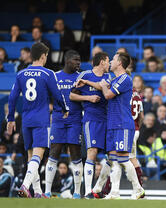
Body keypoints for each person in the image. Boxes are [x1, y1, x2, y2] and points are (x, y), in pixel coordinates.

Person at [7, 42, 69, 198]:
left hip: (26, 120)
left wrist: (10, 118)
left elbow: (13, 97)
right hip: (41, 120)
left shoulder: (21, 74)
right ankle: (25, 186)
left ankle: (38, 192)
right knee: (38, 155)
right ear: (43, 56)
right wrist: (64, 108)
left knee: (30, 157)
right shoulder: (48, 74)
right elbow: (57, 94)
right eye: (46, 55)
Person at [97, 52, 145, 199]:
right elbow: (104, 87)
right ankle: (114, 192)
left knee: (124, 158)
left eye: (113, 59)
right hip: (113, 124)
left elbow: (107, 95)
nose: (110, 61)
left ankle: (138, 189)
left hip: (122, 124)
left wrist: (104, 86)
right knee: (113, 159)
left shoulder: (125, 79)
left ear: (119, 63)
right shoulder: (116, 79)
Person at [43, 50, 85, 199]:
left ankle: (77, 192)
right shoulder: (54, 76)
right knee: (54, 152)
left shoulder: (82, 77)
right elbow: (45, 96)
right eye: (76, 60)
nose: (79, 62)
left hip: (75, 120)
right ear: (67, 61)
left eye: (79, 60)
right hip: (58, 120)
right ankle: (47, 191)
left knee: (75, 154)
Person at [70, 51, 111, 199]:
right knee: (91, 152)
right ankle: (88, 191)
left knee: (111, 156)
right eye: (108, 61)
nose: (109, 64)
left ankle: (98, 187)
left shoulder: (108, 77)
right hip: (91, 119)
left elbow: (105, 88)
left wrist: (88, 85)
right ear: (101, 62)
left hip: (107, 119)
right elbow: (71, 95)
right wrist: (88, 97)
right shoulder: (85, 74)